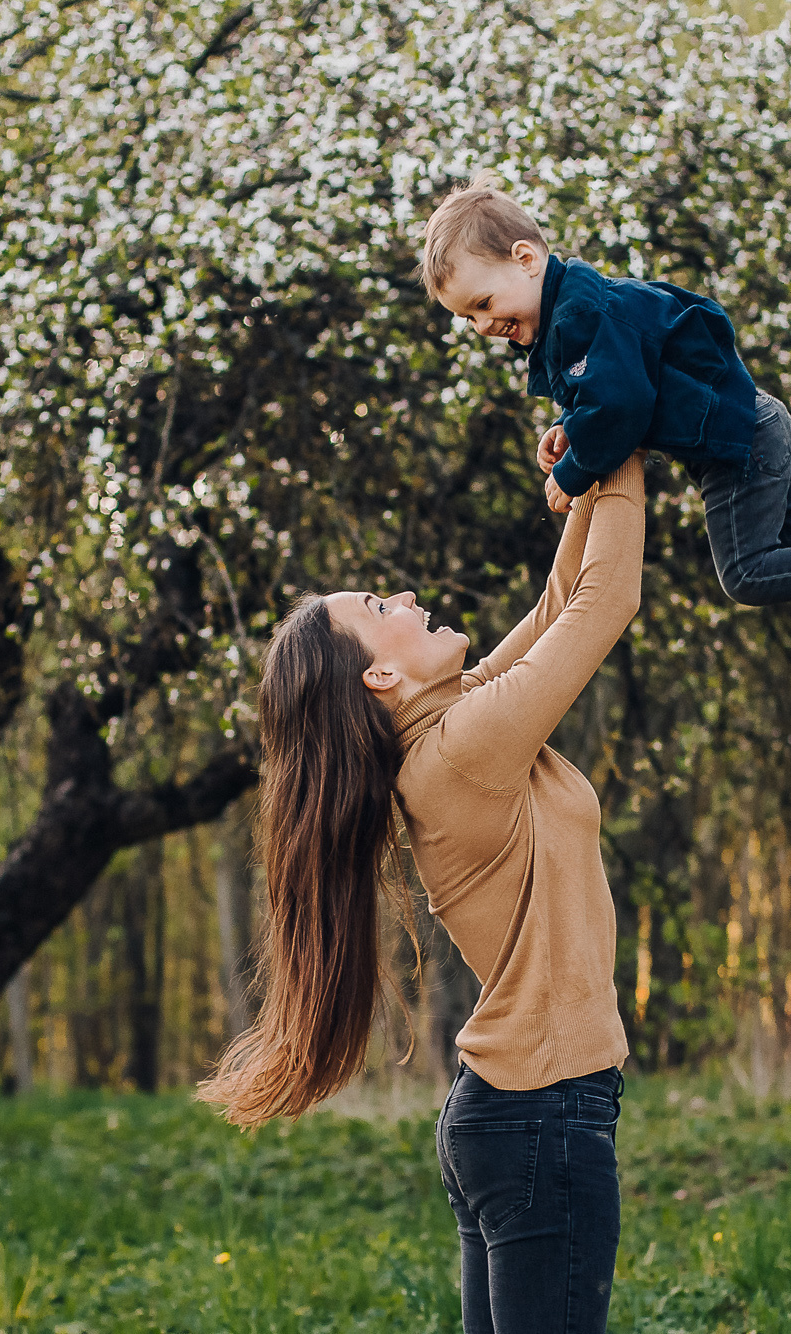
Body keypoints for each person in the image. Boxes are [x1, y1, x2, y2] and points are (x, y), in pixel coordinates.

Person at [200, 452, 651, 1334]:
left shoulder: (458, 728)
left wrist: (594, 470)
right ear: (380, 678)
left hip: (518, 1116)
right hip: (540, 1120)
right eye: (380, 611)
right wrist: (628, 450)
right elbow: (608, 604)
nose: (404, 598)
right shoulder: (465, 752)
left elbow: (562, 604)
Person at [419, 171, 791, 662]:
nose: (484, 326)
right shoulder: (581, 315)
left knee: (747, 572)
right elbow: (616, 388)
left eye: (484, 304)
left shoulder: (580, 318)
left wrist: (570, 475)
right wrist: (573, 426)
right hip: (756, 423)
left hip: (739, 441)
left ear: (526, 259)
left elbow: (622, 406)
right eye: (468, 318)